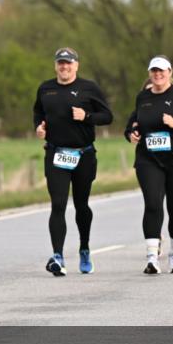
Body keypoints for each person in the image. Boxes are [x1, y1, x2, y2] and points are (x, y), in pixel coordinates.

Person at [32, 47, 113, 276]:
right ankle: (58, 256)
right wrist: (39, 127)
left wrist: (86, 117)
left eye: (68, 63)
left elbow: (107, 117)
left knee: (81, 205)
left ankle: (84, 248)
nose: (64, 67)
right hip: (56, 154)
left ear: (76, 65)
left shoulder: (89, 88)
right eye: (61, 63)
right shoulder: (46, 89)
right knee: (58, 204)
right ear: (55, 65)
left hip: (83, 155)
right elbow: (38, 112)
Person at [125, 56, 173, 275]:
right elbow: (132, 124)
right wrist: (132, 133)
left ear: (170, 71)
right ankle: (151, 257)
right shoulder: (143, 97)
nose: (157, 74)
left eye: (161, 71)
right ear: (149, 73)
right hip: (148, 160)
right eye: (154, 71)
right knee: (152, 204)